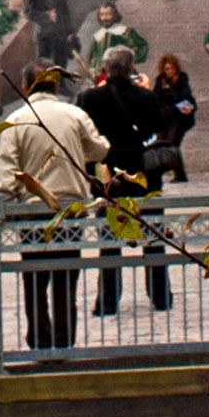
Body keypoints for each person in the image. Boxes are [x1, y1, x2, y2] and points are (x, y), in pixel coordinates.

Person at [0, 67, 107, 353]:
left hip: (33, 212)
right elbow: (98, 151)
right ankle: (64, 339)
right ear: (57, 84)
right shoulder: (75, 115)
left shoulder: (16, 120)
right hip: (70, 209)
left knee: (34, 278)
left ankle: (39, 338)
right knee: (66, 278)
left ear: (25, 87)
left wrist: (6, 201)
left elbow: (7, 174)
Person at [79, 58, 174, 317]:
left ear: (106, 69)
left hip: (107, 176)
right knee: (153, 234)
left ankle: (108, 300)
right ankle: (161, 296)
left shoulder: (90, 98)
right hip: (143, 174)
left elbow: (85, 137)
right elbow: (158, 129)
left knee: (109, 239)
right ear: (131, 68)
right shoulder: (145, 96)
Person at [150, 52, 201, 187]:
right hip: (163, 118)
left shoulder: (182, 79)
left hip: (178, 119)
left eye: (172, 68)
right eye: (167, 69)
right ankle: (157, 174)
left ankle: (180, 174)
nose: (170, 71)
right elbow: (155, 98)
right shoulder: (160, 81)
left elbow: (185, 96)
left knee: (173, 145)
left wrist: (173, 89)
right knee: (160, 145)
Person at [26, 0, 72, 75]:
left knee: (61, 61)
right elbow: (28, 12)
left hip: (60, 33)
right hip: (44, 33)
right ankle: (44, 86)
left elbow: (66, 12)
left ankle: (61, 86)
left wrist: (69, 32)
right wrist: (47, 15)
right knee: (44, 63)